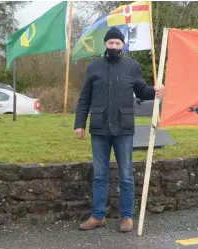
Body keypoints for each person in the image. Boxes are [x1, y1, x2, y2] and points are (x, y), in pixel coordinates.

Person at [73, 27, 165, 233]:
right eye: (110, 43)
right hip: (99, 128)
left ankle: (126, 216)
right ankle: (97, 216)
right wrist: (79, 124)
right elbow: (84, 98)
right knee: (99, 174)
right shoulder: (94, 67)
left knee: (126, 174)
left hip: (123, 129)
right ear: (105, 44)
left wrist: (155, 91)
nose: (114, 46)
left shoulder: (132, 66)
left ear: (123, 45)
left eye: (117, 43)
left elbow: (141, 90)